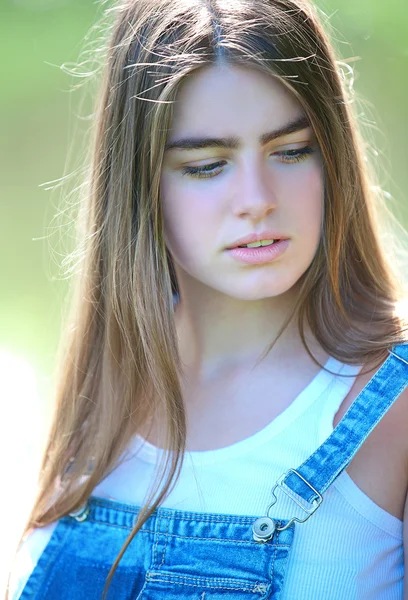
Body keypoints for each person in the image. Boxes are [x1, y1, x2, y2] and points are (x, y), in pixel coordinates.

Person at [6, 0, 408, 598]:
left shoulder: (390, 411)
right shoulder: (104, 388)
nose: (256, 198)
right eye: (207, 165)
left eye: (292, 150)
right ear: (140, 185)